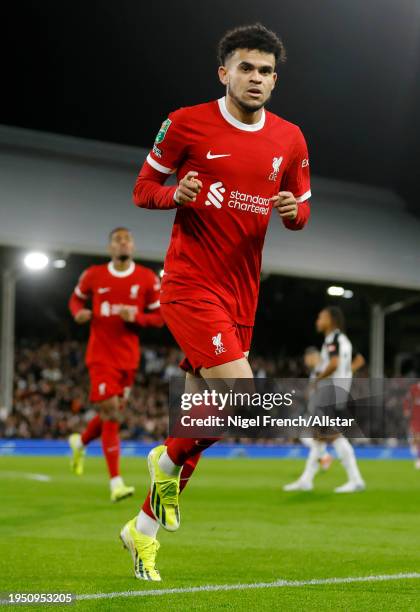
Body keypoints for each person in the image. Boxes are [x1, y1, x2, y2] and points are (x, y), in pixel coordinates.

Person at [120, 23, 312, 581]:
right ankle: (166, 458)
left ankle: (143, 532)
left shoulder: (291, 138)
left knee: (211, 421)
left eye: (266, 71)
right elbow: (142, 189)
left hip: (242, 293)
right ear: (223, 72)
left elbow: (302, 211)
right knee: (242, 396)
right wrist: (171, 194)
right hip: (188, 283)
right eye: (246, 68)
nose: (256, 78)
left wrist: (290, 213)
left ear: (276, 81)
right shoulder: (185, 123)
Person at [68, 227, 164, 502]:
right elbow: (75, 299)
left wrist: (136, 316)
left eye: (127, 239)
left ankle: (81, 442)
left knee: (113, 416)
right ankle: (116, 483)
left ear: (132, 246)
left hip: (128, 360)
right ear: (110, 247)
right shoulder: (94, 275)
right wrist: (78, 313)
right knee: (111, 413)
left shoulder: (146, 278)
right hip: (100, 355)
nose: (123, 243)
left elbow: (159, 317)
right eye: (117, 239)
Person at [283, 307, 366, 494]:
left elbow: (335, 363)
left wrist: (320, 378)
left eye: (321, 317)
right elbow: (359, 360)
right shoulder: (344, 339)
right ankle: (306, 480)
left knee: (332, 436)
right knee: (320, 437)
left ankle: (356, 479)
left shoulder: (332, 340)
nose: (317, 320)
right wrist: (346, 374)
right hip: (338, 392)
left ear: (331, 319)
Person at [403, 381, 420, 469]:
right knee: (417, 437)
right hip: (416, 418)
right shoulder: (414, 389)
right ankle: (418, 458)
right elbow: (406, 400)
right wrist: (406, 409)